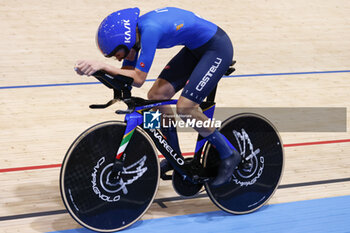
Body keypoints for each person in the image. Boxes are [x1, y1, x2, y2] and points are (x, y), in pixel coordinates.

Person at [75, 7, 241, 186]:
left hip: (217, 49)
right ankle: (174, 157)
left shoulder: (150, 30)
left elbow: (138, 79)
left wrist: (102, 66)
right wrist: (97, 72)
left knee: (185, 108)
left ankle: (229, 154)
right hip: (196, 50)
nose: (116, 59)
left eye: (117, 53)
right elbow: (126, 75)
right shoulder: (134, 38)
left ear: (126, 40)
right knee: (156, 95)